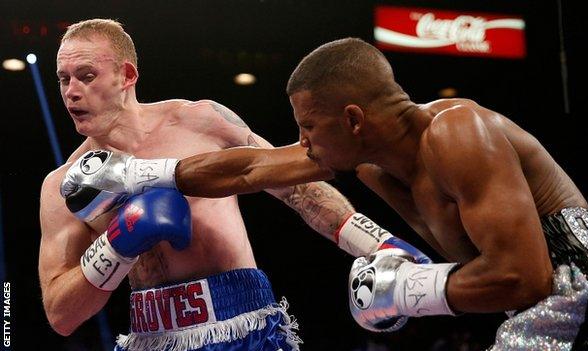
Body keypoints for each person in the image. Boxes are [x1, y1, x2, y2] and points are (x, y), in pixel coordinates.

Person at [63, 37, 588, 350]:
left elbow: (528, 278)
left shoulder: (457, 134)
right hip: (534, 304)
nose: (302, 143)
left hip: (587, 285)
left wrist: (411, 289)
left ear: (353, 119)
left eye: (308, 127)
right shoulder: (372, 166)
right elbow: (249, 170)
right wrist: (145, 176)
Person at [40, 21, 427, 351]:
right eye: (63, 79)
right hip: (151, 335)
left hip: (243, 323)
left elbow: (295, 187)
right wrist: (117, 243)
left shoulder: (200, 122)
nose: (71, 91)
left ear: (127, 75)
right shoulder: (62, 185)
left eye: (86, 76)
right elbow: (60, 314)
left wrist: (376, 243)